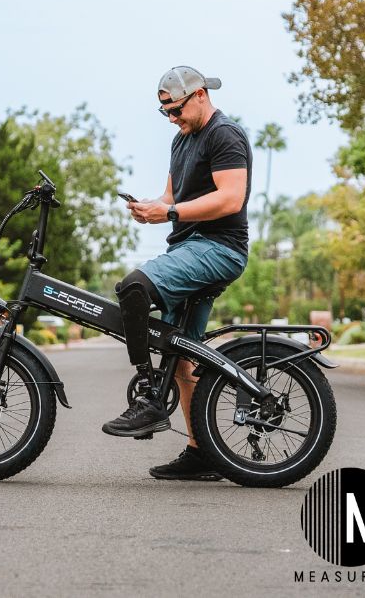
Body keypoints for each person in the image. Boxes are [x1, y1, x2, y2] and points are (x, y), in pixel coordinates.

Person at [102, 65, 252, 481]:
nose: (172, 118)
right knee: (180, 352)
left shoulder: (225, 135)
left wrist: (169, 211)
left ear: (200, 94)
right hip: (189, 247)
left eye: (177, 110)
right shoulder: (180, 141)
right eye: (165, 112)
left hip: (218, 248)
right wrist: (151, 209)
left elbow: (230, 198)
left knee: (133, 287)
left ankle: (149, 397)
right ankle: (201, 452)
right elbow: (173, 198)